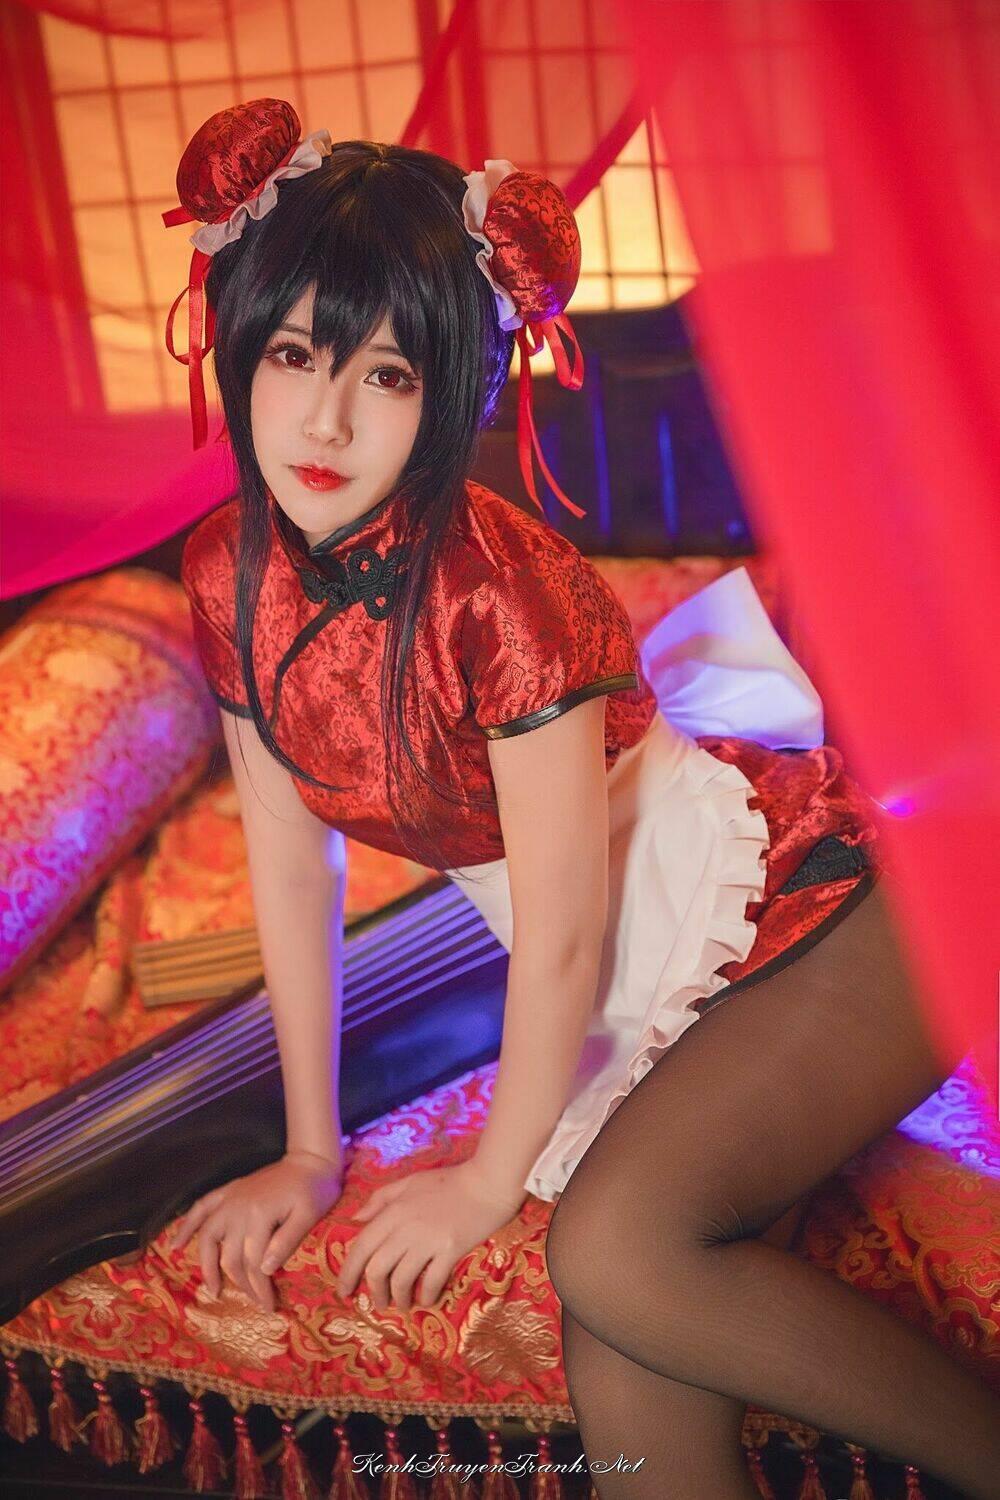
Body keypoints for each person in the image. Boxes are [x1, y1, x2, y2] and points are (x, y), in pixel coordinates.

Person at [167, 99, 1000, 1500]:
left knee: (606, 1249)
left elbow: (560, 934)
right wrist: (311, 1151)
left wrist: (486, 1182)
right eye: (296, 353)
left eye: (387, 374)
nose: (324, 418)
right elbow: (288, 867)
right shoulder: (225, 572)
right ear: (238, 340)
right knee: (628, 1340)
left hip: (839, 912)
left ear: (452, 391)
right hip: (648, 966)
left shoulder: (499, 589)